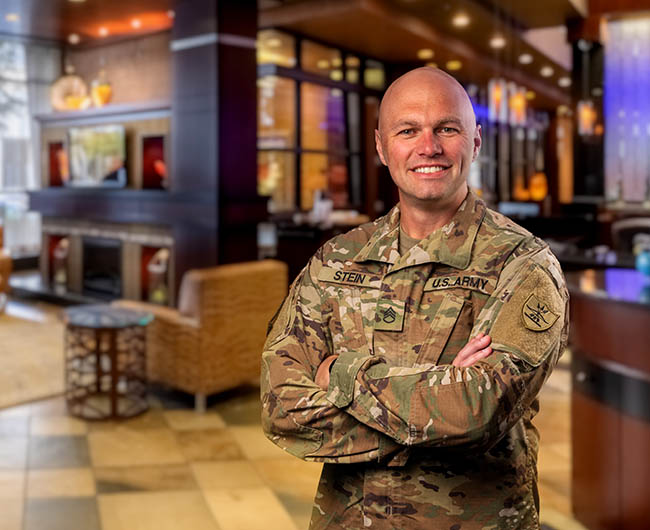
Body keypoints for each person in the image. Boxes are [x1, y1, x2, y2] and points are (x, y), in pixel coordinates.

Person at [261, 67, 569, 529]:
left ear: (475, 141)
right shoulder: (338, 259)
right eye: (408, 130)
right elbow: (279, 405)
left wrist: (338, 374)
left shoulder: (524, 265)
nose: (429, 147)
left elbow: (477, 410)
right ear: (383, 147)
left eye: (447, 128)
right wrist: (437, 404)